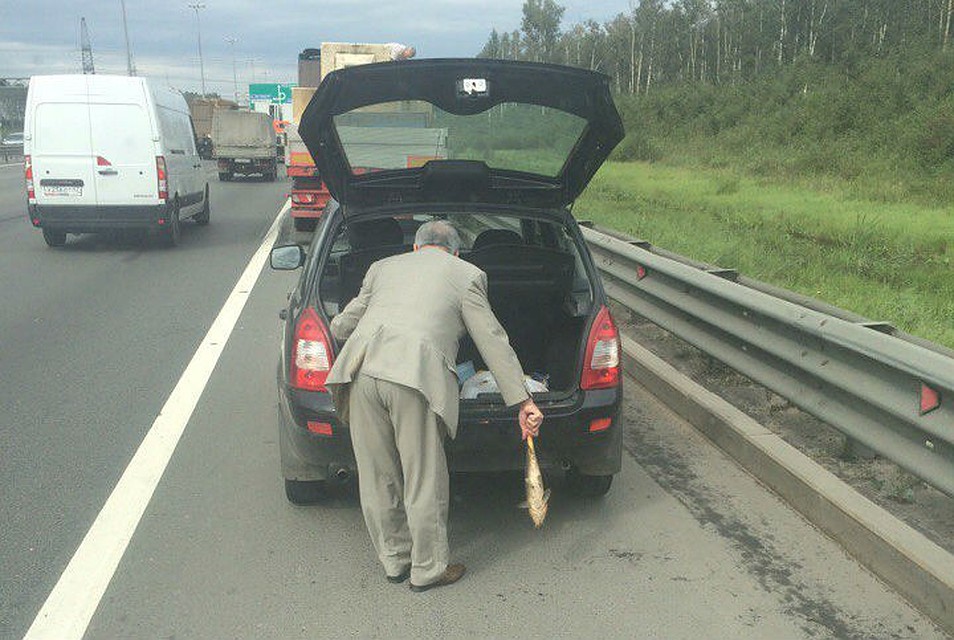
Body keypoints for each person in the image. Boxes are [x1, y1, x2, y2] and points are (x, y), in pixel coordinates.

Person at [326, 219, 543, 592]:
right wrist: (522, 399)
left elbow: (341, 327)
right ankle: (427, 570)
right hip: (414, 377)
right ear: (456, 251)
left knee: (378, 476)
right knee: (423, 477)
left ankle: (394, 561)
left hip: (361, 372)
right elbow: (491, 339)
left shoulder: (382, 268)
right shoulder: (467, 274)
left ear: (415, 247)